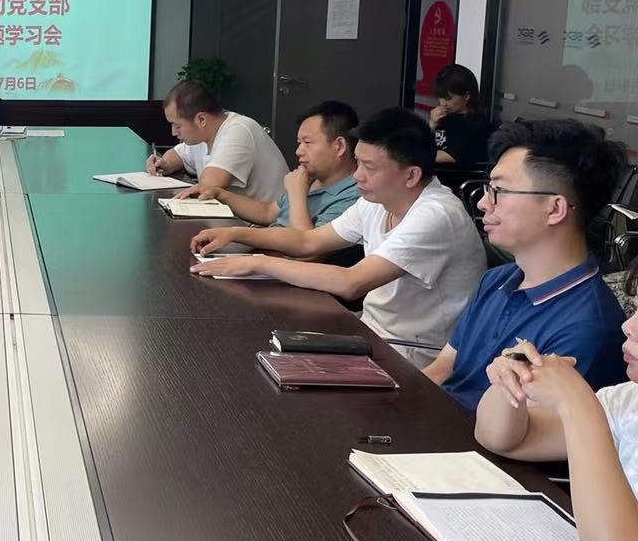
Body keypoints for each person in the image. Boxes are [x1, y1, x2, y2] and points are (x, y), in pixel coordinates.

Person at [192, 107, 487, 360]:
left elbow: (351, 283)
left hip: (412, 354)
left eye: (369, 167)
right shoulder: (377, 200)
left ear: (411, 175)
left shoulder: (435, 214)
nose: (357, 175)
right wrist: (237, 234)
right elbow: (308, 241)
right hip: (369, 331)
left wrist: (257, 262)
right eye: (358, 163)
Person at [421, 119, 628, 409]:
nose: (483, 203)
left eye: (498, 191)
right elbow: (443, 368)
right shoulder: (496, 279)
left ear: (554, 209)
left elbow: (525, 430)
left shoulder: (587, 327)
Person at [474, 297, 638, 541]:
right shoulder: (628, 400)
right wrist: (513, 380)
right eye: (636, 309)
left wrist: (576, 403)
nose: (628, 326)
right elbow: (504, 439)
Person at [179, 100, 360, 228]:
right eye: (299, 143)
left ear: (339, 146)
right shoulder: (312, 177)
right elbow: (267, 212)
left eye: (308, 143)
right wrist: (219, 194)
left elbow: (308, 250)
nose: (298, 152)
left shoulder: (354, 196)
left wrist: (296, 193)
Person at [144, 80, 289, 205]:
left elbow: (208, 187)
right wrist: (165, 164)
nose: (173, 133)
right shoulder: (204, 133)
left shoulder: (238, 130)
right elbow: (177, 154)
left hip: (271, 224)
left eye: (177, 126)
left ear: (201, 120)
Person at [429, 63, 496, 165]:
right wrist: (432, 125)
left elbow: (451, 155)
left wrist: (414, 155)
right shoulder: (443, 117)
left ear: (466, 96)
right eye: (440, 97)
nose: (443, 103)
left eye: (448, 98)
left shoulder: (474, 125)